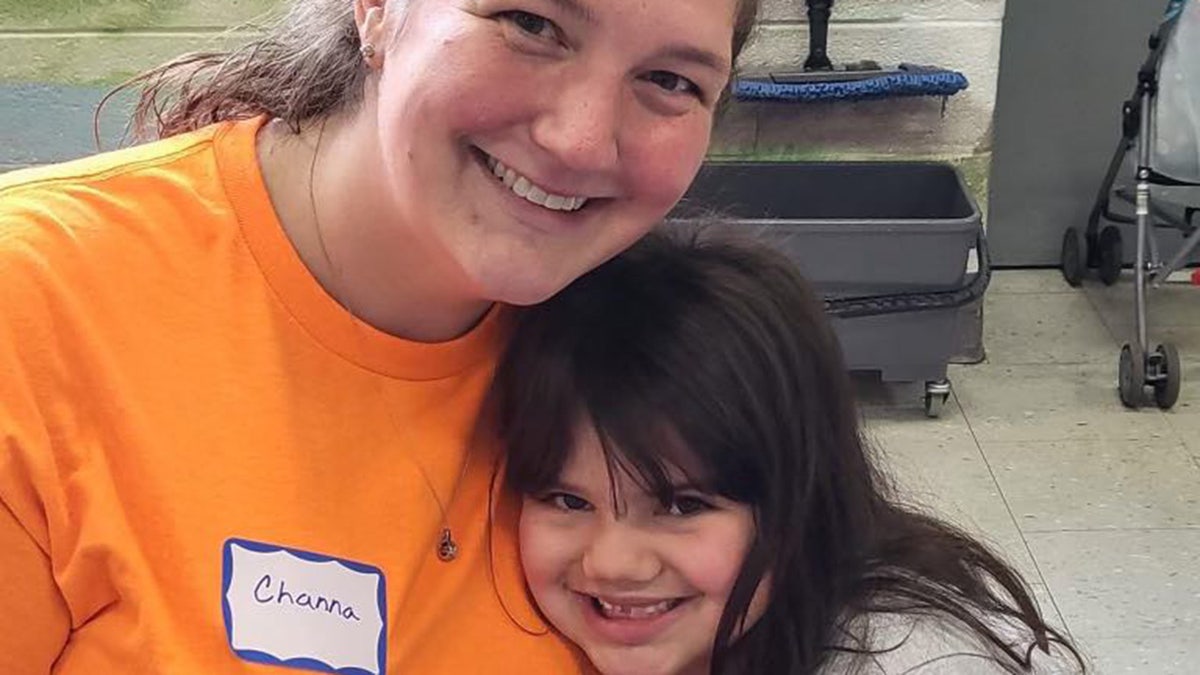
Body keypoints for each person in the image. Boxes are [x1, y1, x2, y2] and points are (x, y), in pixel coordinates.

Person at [0, 0, 760, 672]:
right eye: (531, 25)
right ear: (376, 9)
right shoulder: (34, 303)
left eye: (670, 81)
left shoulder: (650, 337)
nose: (584, 142)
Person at [489, 231, 1087, 675]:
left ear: (801, 495)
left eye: (681, 505)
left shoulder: (917, 658)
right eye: (567, 498)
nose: (613, 563)